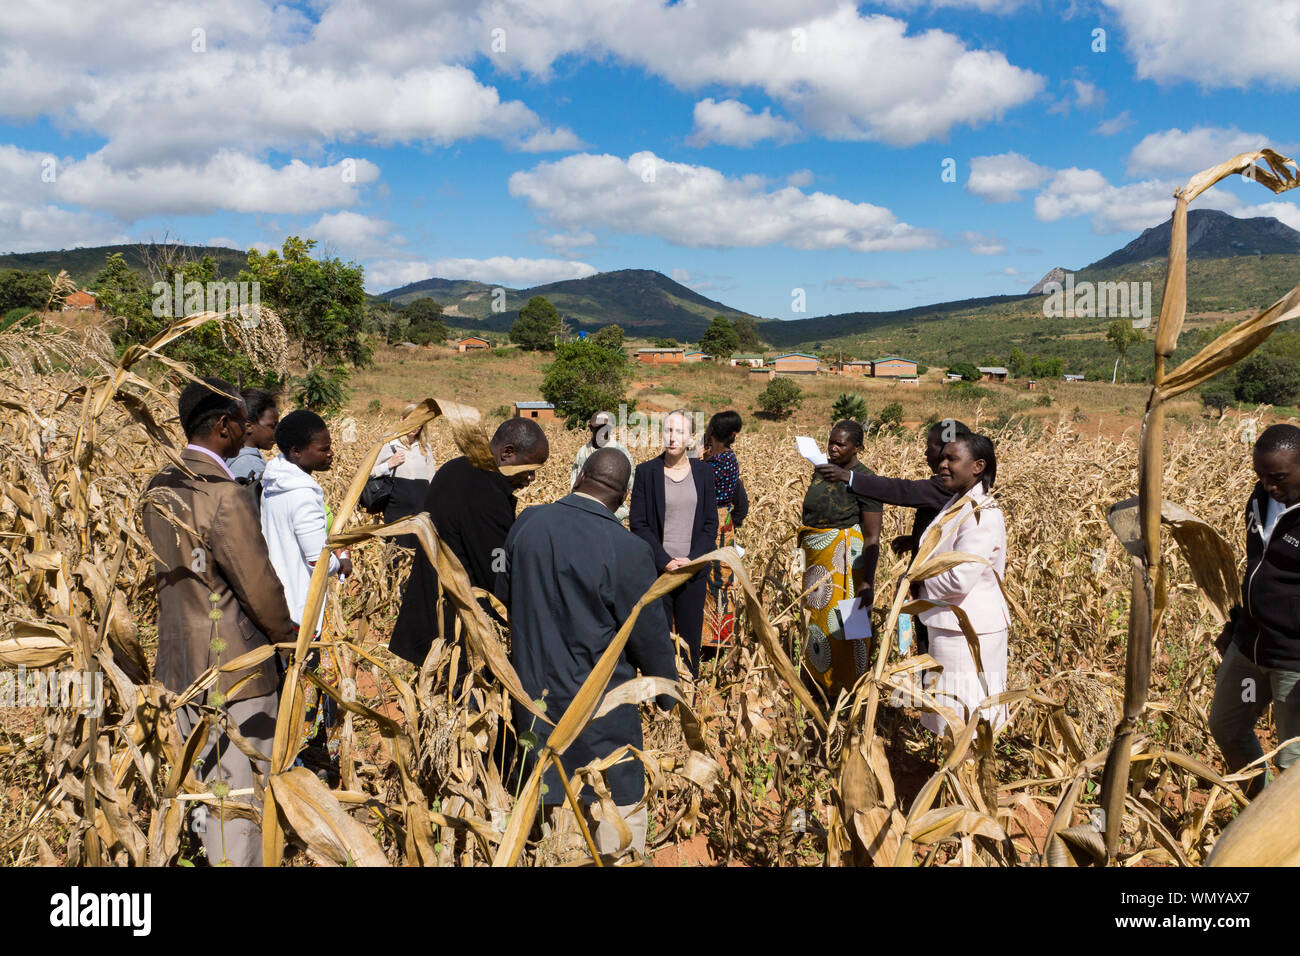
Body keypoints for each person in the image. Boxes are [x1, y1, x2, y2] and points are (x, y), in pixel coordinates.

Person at [141, 377, 297, 866]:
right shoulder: (223, 494)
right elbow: (260, 589)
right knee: (238, 799)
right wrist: (290, 639)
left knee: (204, 787)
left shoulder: (158, 486)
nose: (246, 430)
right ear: (225, 426)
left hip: (178, 663)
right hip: (236, 670)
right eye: (243, 422)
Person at [495, 448, 676, 858]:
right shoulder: (628, 549)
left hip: (532, 698)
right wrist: (666, 692)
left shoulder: (528, 523)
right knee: (614, 800)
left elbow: (505, 593)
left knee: (543, 790)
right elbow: (648, 636)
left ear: (579, 476)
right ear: (624, 496)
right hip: (600, 709)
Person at [388, 417, 550, 667]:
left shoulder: (454, 468)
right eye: (529, 469)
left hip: (431, 614)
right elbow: (495, 569)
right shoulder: (489, 492)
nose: (531, 479)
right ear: (507, 453)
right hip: (460, 629)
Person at [815, 418, 973, 654]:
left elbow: (903, 491)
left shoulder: (947, 485)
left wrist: (848, 478)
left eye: (929, 448)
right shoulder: (822, 474)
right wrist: (915, 539)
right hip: (927, 596)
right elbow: (946, 526)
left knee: (934, 655)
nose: (924, 454)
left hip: (940, 600)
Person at [1209, 423, 1300, 798]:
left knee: (1293, 762)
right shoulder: (1260, 500)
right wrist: (1237, 625)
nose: (1268, 485)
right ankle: (1258, 811)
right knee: (1228, 726)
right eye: (1260, 476)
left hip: (1292, 663)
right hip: (1249, 652)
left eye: (1277, 477)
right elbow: (1256, 567)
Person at [260, 409, 351, 778]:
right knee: (305, 692)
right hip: (304, 609)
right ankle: (300, 768)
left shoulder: (274, 483)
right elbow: (318, 560)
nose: (331, 454)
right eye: (323, 449)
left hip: (280, 600)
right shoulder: (302, 495)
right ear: (297, 451)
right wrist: (342, 562)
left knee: (289, 687)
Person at [914, 432, 1009, 738]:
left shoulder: (982, 513)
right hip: (952, 625)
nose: (942, 465)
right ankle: (954, 775)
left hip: (968, 630)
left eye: (952, 459)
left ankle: (963, 778)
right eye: (942, 458)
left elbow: (960, 576)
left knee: (965, 715)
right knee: (951, 712)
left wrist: (916, 580)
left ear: (977, 466)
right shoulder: (960, 503)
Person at [798, 421, 883, 696]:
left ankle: (849, 692)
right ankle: (818, 687)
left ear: (857, 447)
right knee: (818, 623)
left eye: (841, 444)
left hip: (848, 565)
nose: (833, 449)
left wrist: (867, 582)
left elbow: (871, 536)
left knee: (848, 627)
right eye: (830, 442)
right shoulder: (821, 472)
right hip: (818, 564)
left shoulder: (865, 480)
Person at [629, 409, 717, 677]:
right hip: (659, 572)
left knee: (690, 636)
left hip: (692, 570)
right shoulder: (647, 472)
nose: (672, 437)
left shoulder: (703, 473)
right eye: (668, 430)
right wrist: (665, 561)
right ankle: (663, 697)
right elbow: (639, 524)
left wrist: (691, 560)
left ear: (690, 438)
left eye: (679, 431)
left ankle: (690, 690)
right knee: (661, 638)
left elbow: (710, 524)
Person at [700, 410, 743, 649]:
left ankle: (717, 638)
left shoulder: (720, 460)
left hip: (716, 520)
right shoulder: (721, 457)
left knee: (717, 577)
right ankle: (714, 635)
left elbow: (701, 482)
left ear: (713, 431)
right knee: (715, 577)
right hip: (721, 519)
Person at [371, 403, 438, 549]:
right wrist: (388, 465)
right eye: (411, 421)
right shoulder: (388, 444)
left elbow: (431, 477)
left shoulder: (425, 447)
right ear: (402, 420)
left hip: (422, 509)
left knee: (420, 550)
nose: (415, 427)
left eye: (419, 423)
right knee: (396, 551)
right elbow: (368, 472)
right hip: (396, 509)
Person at [570, 410, 635, 522]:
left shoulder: (621, 453)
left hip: (613, 517)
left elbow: (629, 487)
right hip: (583, 516)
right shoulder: (582, 453)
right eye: (598, 428)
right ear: (591, 429)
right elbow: (574, 484)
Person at [226, 388, 278, 482]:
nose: (276, 432)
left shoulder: (231, 457)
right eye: (272, 426)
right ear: (249, 426)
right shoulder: (252, 466)